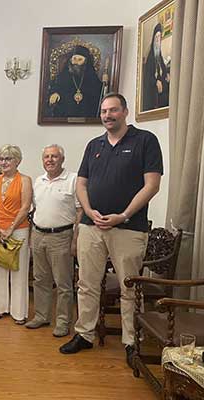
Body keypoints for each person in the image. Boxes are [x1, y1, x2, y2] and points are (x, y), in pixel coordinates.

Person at [60, 93, 163, 368]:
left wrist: (124, 215)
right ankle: (84, 334)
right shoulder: (94, 145)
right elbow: (81, 183)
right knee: (87, 284)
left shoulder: (145, 141)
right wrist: (88, 209)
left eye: (113, 110)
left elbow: (152, 185)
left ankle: (131, 341)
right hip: (91, 226)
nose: (107, 115)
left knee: (129, 287)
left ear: (125, 112)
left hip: (129, 227)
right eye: (104, 111)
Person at [25, 144, 82, 338]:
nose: (50, 160)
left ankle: (63, 322)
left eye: (54, 156)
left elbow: (80, 211)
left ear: (62, 159)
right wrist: (31, 236)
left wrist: (75, 239)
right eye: (46, 157)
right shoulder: (38, 181)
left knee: (63, 283)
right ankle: (42, 316)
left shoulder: (73, 180)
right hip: (38, 234)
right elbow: (35, 210)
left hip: (61, 237)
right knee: (40, 279)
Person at [0, 145, 32, 323]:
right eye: (1, 159)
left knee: (18, 272)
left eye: (8, 159)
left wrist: (11, 229)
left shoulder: (25, 180)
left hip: (19, 230)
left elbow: (25, 207)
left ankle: (18, 313)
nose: (3, 162)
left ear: (17, 161)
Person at [48, 45, 103, 118]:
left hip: (86, 116)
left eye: (80, 59)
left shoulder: (91, 76)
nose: (76, 62)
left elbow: (99, 93)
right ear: (70, 60)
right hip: (65, 116)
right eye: (74, 59)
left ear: (86, 61)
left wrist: (105, 83)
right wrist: (55, 93)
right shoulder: (63, 75)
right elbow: (55, 87)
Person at [142, 23, 169, 111]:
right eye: (156, 37)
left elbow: (163, 69)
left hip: (161, 85)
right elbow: (148, 76)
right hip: (152, 88)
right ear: (153, 38)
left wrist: (167, 74)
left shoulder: (159, 55)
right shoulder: (150, 56)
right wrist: (155, 82)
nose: (158, 40)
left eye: (159, 37)